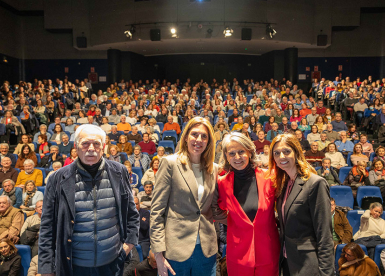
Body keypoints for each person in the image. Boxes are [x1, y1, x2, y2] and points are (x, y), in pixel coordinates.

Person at [38, 124, 140, 275]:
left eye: (96, 144)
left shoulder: (120, 171)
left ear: (103, 146)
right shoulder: (57, 178)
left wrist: (127, 247)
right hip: (74, 267)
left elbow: (132, 214)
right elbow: (47, 227)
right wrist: (46, 268)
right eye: (85, 143)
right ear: (76, 146)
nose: (91, 148)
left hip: (112, 264)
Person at [150, 117, 219, 276]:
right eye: (194, 134)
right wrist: (158, 254)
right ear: (186, 136)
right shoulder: (170, 163)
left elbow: (215, 208)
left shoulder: (213, 169)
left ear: (209, 141)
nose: (199, 140)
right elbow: (156, 211)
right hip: (176, 249)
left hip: (206, 250)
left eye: (204, 136)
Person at [212, 132, 279, 276]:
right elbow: (213, 210)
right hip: (238, 255)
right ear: (226, 156)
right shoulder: (222, 183)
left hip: (268, 253)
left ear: (249, 151)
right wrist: (232, 222)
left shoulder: (269, 178)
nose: (237, 157)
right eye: (232, 153)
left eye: (241, 151)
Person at [268, 133, 334, 276]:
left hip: (308, 264)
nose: (281, 157)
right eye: (277, 153)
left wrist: (326, 272)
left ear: (296, 153)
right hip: (287, 262)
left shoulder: (315, 183)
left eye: (286, 151)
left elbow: (324, 233)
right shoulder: (283, 185)